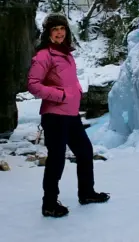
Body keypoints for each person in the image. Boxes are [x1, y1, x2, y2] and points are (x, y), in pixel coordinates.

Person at [27, 13, 110, 218]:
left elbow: (68, 81)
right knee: (57, 159)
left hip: (70, 114)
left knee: (84, 151)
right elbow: (33, 85)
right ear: (48, 33)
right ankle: (49, 203)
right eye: (55, 29)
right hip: (55, 115)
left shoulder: (66, 54)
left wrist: (76, 91)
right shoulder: (44, 55)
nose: (59, 33)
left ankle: (87, 193)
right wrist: (60, 95)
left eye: (62, 29)